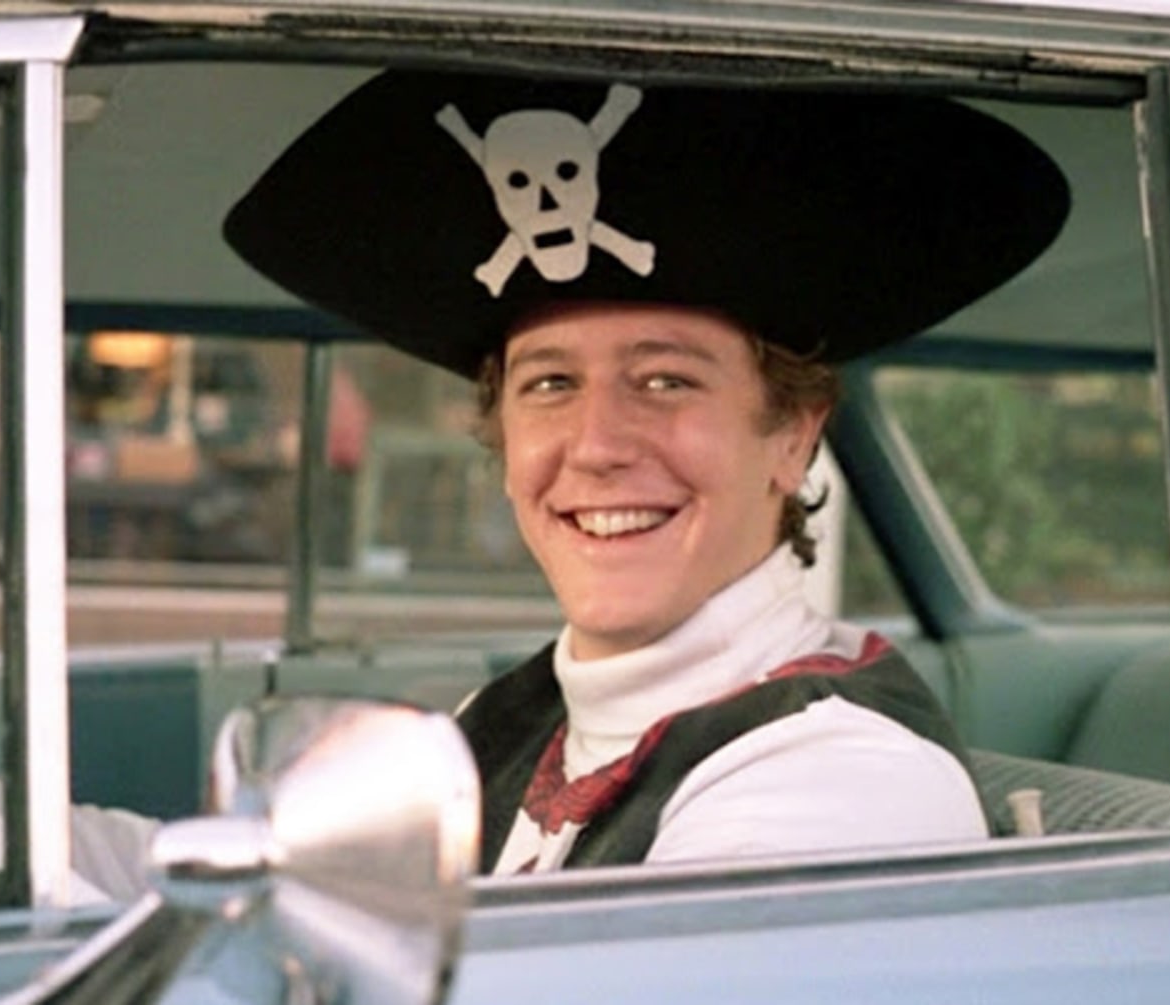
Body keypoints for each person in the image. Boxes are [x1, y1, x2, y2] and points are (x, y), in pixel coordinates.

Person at [224, 70, 1071, 873]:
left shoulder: (840, 783)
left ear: (792, 435)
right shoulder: (506, 721)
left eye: (665, 380)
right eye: (551, 383)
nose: (596, 444)